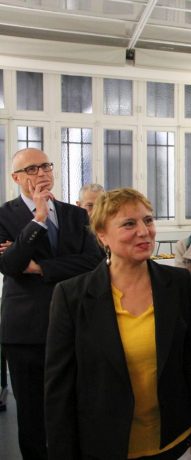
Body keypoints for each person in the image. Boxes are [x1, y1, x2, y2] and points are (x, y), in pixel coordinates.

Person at [44, 187, 191, 460]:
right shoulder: (72, 296)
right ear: (102, 235)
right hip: (106, 444)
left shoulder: (177, 285)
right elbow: (59, 390)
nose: (144, 231)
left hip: (173, 440)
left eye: (148, 220)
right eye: (129, 224)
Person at [0, 148, 102, 460]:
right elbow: (10, 265)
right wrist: (39, 219)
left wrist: (41, 268)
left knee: (74, 408)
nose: (42, 173)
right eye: (32, 169)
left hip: (74, 325)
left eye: (45, 166)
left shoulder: (77, 215)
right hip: (26, 332)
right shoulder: (5, 216)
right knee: (32, 417)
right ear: (16, 178)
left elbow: (94, 262)